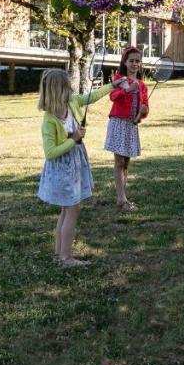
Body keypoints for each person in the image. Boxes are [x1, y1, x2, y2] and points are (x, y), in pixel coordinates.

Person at [37, 67, 115, 266]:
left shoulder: (71, 103)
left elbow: (92, 96)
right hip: (62, 170)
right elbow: (50, 152)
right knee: (73, 209)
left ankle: (58, 253)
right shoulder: (49, 120)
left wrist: (114, 85)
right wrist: (74, 139)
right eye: (67, 86)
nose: (71, 89)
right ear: (57, 90)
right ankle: (66, 257)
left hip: (74, 164)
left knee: (67, 209)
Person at [105, 46, 149, 211]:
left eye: (138, 61)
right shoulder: (119, 78)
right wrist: (128, 89)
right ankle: (121, 199)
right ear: (125, 62)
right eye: (131, 60)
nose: (135, 64)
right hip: (118, 123)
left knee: (126, 163)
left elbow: (145, 106)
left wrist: (142, 113)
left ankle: (122, 196)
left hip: (131, 125)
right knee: (119, 162)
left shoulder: (142, 85)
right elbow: (113, 96)